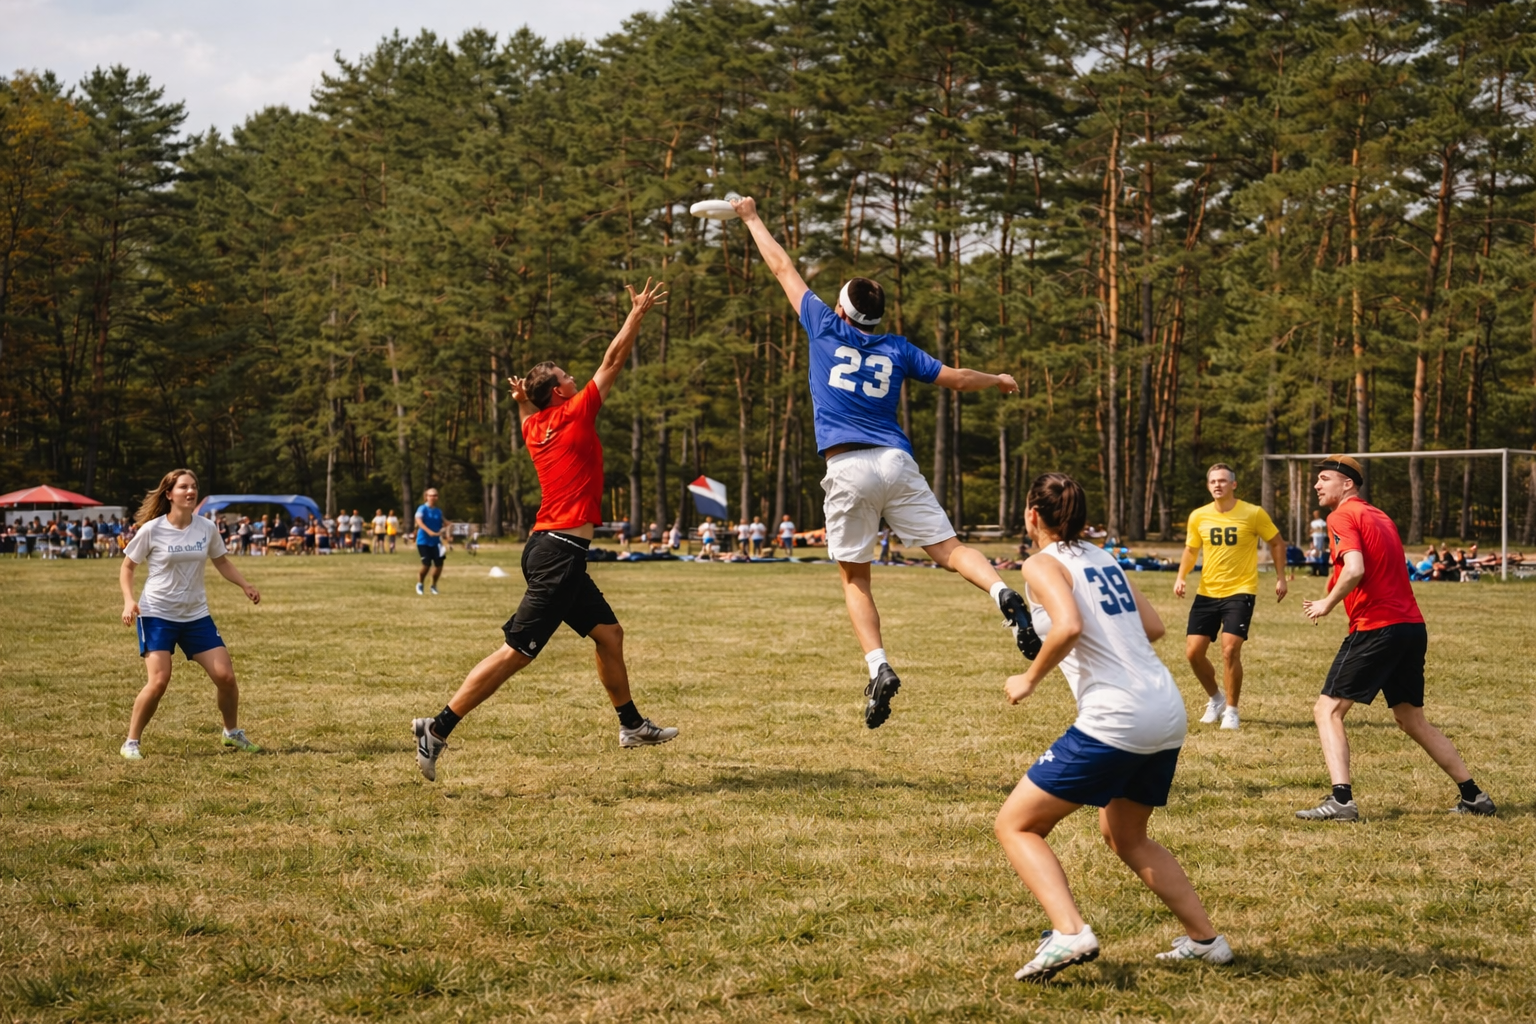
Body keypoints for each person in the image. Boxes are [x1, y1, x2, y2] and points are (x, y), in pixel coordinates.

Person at [732, 193, 1037, 729]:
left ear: (844, 310)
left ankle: (879, 666)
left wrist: (753, 217)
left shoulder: (824, 326)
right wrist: (999, 380)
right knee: (949, 549)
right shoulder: (897, 347)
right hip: (896, 461)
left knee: (857, 580)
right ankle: (1001, 591)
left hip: (847, 467)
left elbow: (781, 265)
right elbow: (957, 379)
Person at [411, 279, 677, 780]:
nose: (577, 378)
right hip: (557, 552)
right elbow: (613, 359)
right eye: (567, 376)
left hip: (553, 550)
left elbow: (529, 411)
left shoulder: (536, 426)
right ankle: (438, 726)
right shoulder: (575, 413)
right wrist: (636, 314)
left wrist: (520, 399)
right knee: (517, 653)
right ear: (560, 392)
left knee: (609, 635)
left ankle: (631, 723)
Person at [995, 473, 1230, 983]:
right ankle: (1206, 942)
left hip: (1118, 715)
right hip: (1165, 709)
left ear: (1033, 515)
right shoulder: (1104, 557)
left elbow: (1070, 625)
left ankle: (1069, 931)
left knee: (1016, 825)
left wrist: (1029, 678)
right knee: (1125, 835)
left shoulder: (1039, 563)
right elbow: (1153, 627)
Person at [1296, 455, 1495, 820]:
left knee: (1327, 710)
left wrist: (1326, 602)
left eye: (1324, 479)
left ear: (1348, 484)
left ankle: (1341, 801)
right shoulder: (1381, 516)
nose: (1317, 485)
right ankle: (1474, 797)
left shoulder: (1341, 516)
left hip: (1377, 626)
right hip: (1410, 627)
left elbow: (1355, 568)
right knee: (1410, 718)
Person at [118, 468, 262, 760]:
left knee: (226, 677)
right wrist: (129, 601)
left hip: (195, 615)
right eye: (183, 487)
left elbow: (221, 561)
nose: (190, 491)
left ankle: (231, 734)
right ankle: (131, 742)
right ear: (169, 494)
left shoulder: (206, 528)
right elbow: (127, 567)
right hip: (157, 614)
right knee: (159, 681)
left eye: (194, 486)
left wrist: (245, 584)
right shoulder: (153, 529)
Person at [1173, 463, 1287, 731]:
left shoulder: (1253, 513)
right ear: (1208, 485)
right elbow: (1191, 550)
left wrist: (1281, 577)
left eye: (1223, 481)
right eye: (1213, 481)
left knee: (1229, 650)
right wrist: (1181, 576)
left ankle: (1232, 711)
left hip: (1241, 590)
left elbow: (1277, 542)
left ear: (1233, 485)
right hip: (1207, 592)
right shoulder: (1198, 516)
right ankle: (1216, 699)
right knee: (1193, 653)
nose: (1218, 485)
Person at [415, 489, 446, 594]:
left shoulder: (438, 511)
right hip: (423, 541)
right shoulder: (422, 508)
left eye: (435, 495)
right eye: (431, 495)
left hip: (436, 542)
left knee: (439, 565)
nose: (433, 497)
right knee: (426, 564)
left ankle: (433, 586)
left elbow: (444, 522)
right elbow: (419, 521)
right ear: (426, 497)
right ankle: (420, 584)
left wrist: (449, 527)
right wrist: (429, 532)